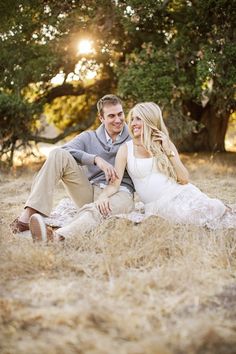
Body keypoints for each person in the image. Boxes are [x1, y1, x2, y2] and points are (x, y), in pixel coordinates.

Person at [10, 94, 134, 237]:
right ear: (101, 118)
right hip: (89, 191)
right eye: (111, 116)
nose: (118, 120)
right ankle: (29, 214)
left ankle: (56, 236)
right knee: (57, 154)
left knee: (97, 211)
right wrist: (95, 159)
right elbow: (63, 150)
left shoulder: (133, 136)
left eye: (120, 114)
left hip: (119, 191)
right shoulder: (89, 137)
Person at [96, 102, 235, 229]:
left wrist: (168, 150)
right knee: (189, 220)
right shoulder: (126, 149)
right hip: (158, 206)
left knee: (212, 210)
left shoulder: (164, 143)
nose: (133, 123)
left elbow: (184, 179)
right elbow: (115, 184)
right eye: (132, 119)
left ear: (150, 121)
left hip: (181, 193)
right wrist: (103, 196)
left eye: (139, 119)